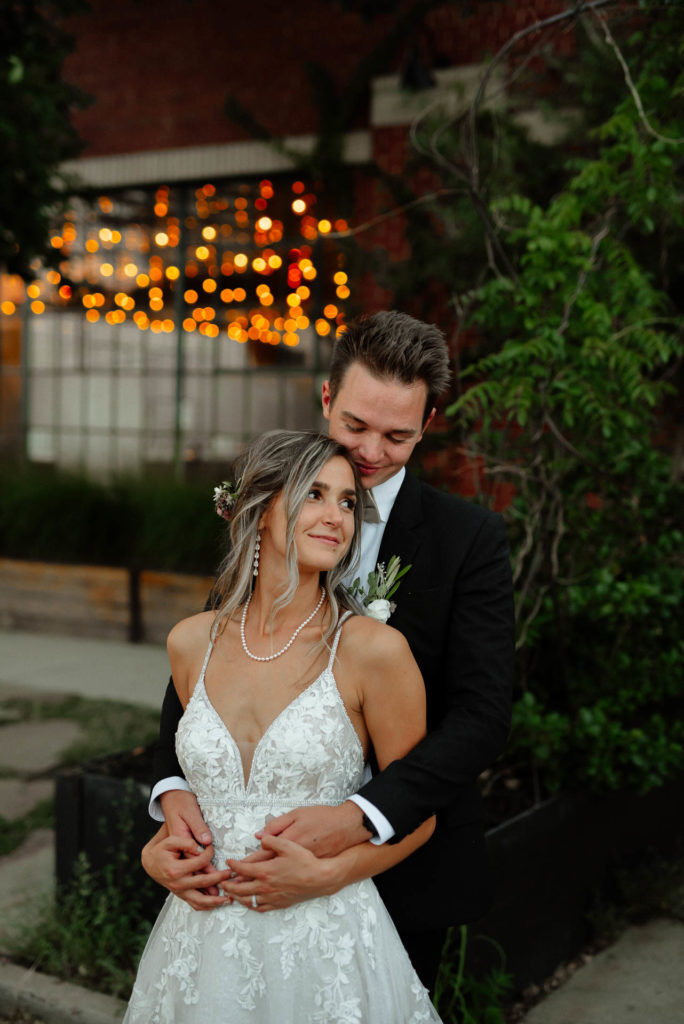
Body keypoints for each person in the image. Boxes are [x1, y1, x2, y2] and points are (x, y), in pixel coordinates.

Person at [145, 311, 515, 994]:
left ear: (428, 422)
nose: (373, 450)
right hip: (234, 884)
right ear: (325, 399)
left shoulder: (468, 539)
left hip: (404, 864)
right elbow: (200, 685)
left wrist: (360, 818)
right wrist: (172, 794)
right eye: (355, 426)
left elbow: (484, 712)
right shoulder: (268, 512)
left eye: (398, 435)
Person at [124, 430, 441, 1022]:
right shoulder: (192, 641)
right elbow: (191, 786)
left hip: (327, 947)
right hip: (198, 946)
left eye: (347, 502)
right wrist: (156, 854)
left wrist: (329, 875)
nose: (336, 517)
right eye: (314, 494)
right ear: (260, 507)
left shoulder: (373, 650)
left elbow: (419, 813)